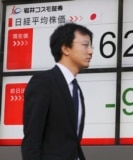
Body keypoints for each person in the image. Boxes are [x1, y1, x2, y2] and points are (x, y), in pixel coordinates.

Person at [21, 23, 93, 160]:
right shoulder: (43, 82)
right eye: (85, 45)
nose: (90, 51)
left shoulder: (76, 89)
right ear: (66, 49)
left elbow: (72, 141)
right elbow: (32, 139)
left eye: (91, 46)